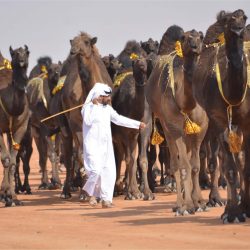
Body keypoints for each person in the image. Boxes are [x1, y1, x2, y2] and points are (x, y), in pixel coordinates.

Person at [81, 82, 146, 208]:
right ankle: (91, 194)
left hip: (106, 146)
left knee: (108, 172)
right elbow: (88, 121)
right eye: (107, 97)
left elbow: (119, 119)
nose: (109, 99)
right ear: (99, 96)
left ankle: (106, 200)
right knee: (95, 171)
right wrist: (93, 106)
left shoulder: (108, 109)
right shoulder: (87, 108)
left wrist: (137, 124)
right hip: (92, 145)